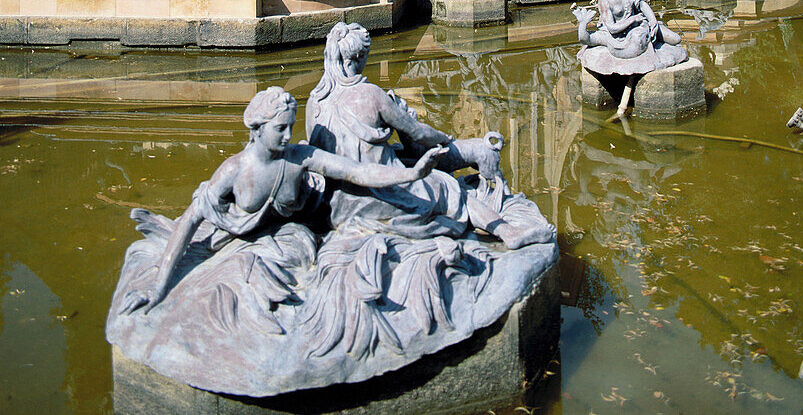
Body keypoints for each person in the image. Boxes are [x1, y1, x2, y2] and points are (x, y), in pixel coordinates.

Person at [120, 86, 446, 314]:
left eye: (291, 127)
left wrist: (413, 174)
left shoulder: (300, 157)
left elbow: (357, 172)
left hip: (300, 230)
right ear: (258, 128)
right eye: (281, 129)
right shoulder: (234, 170)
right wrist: (158, 288)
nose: (289, 136)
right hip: (247, 235)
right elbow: (192, 219)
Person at [306, 21, 554, 249]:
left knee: (406, 160)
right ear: (359, 57)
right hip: (377, 197)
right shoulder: (371, 95)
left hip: (336, 203)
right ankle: (509, 233)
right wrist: (446, 139)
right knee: (451, 188)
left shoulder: (314, 101)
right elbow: (417, 133)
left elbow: (327, 155)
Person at [572, 0, 686, 119]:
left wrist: (652, 21)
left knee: (676, 39)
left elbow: (641, 3)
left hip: (643, 25)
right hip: (624, 34)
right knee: (638, 45)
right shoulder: (604, 0)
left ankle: (652, 36)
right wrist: (632, 19)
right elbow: (611, 28)